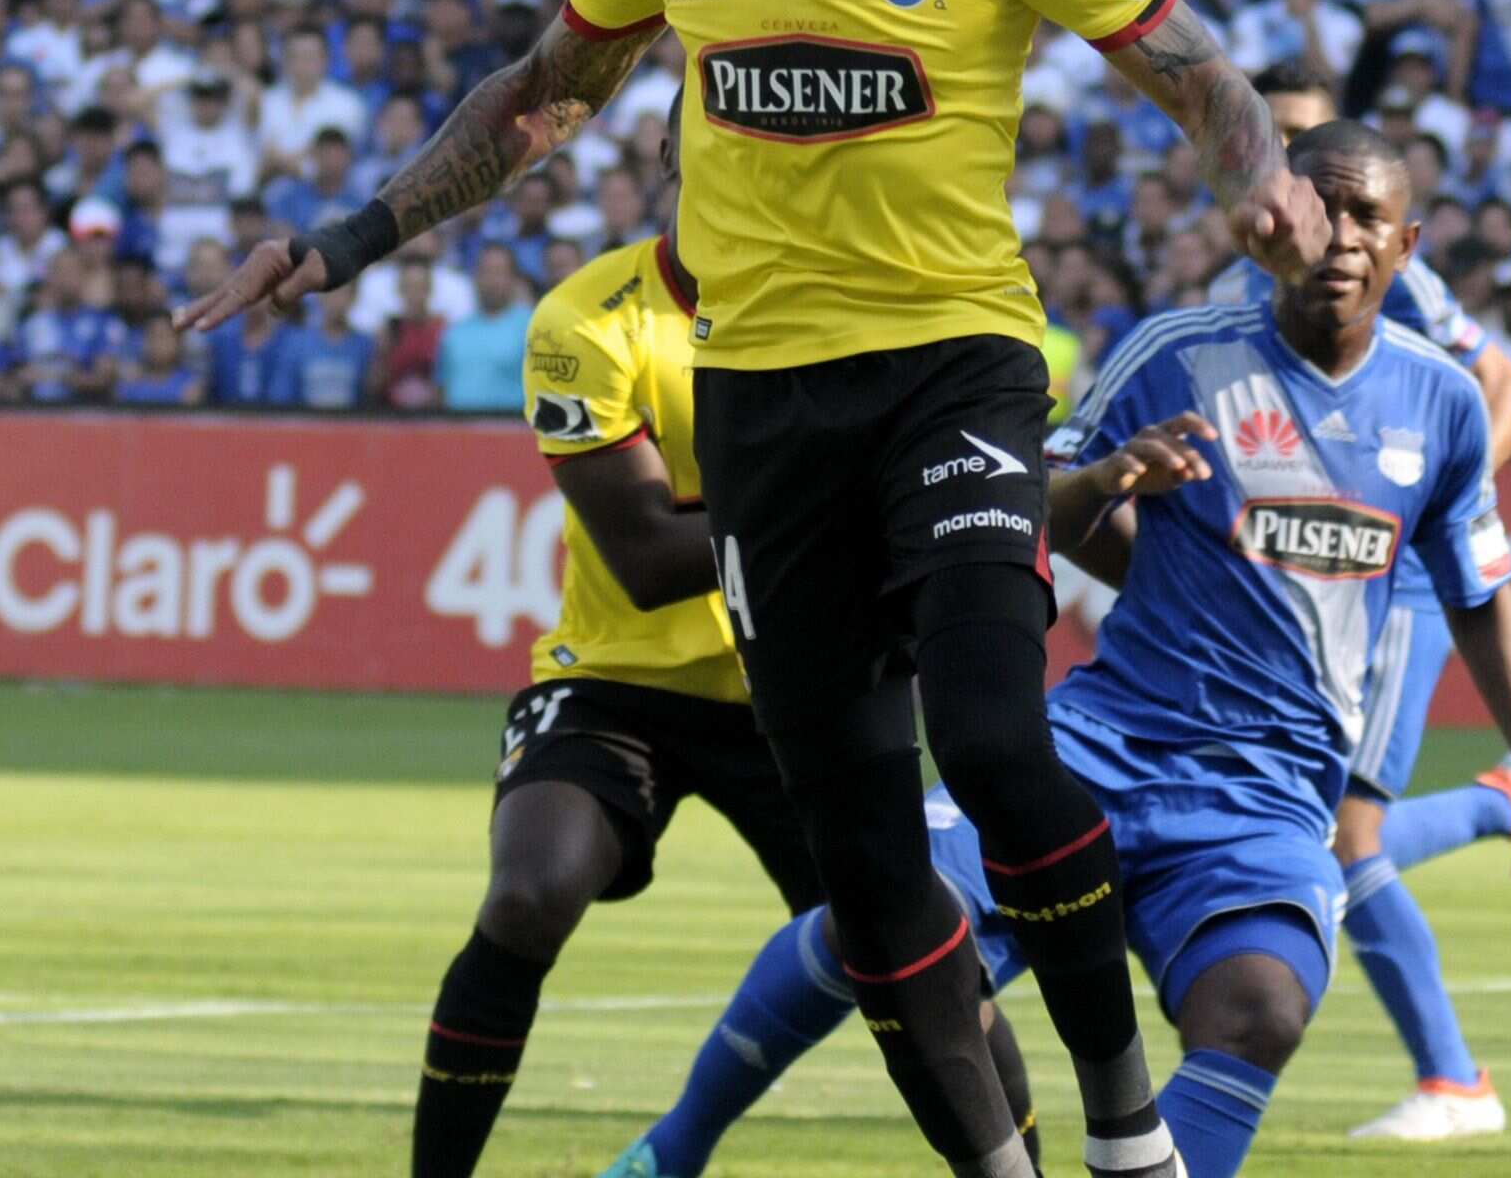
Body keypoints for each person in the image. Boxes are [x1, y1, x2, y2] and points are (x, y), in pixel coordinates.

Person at [182, 0, 1324, 1178]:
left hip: (953, 368)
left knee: (992, 739)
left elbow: (1196, 68)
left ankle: (1131, 1135)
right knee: (865, 873)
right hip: (765, 403)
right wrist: (343, 238)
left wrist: (1262, 178)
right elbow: (539, 104)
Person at [607, 121, 1511, 1178]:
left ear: (1406, 245)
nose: (1341, 236)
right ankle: (672, 1150)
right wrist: (1111, 478)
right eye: (1321, 209)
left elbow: (1481, 596)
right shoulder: (1176, 352)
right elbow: (1019, 507)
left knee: (1259, 1006)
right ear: (1274, 226)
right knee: (885, 915)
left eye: (1367, 217)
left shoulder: (1442, 403)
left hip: (1265, 794)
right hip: (1100, 745)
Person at [411, 204, 1045, 1177]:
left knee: (927, 956)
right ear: (676, 167)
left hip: (797, 683)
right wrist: (836, 511)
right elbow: (644, 557)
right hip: (616, 685)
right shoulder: (587, 318)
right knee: (527, 899)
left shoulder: (859, 305)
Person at [1203, 59, 1511, 1142]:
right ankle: (1498, 803)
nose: (1318, 209)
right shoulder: (1227, 294)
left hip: (1383, 592)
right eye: (1284, 149)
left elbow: (1507, 388)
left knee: (1347, 841)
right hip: (1301, 598)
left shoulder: (1392, 279)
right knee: (1325, 827)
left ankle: (1453, 1079)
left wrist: (1423, 522)